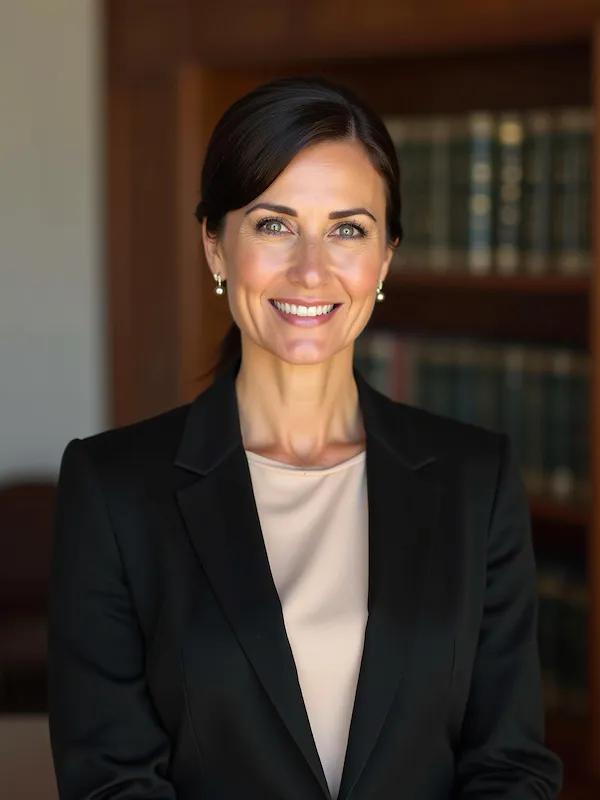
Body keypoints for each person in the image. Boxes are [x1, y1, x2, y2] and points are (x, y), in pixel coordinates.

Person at [47, 76, 564, 800]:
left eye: (348, 229)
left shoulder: (476, 480)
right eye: (274, 224)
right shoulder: (112, 488)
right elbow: (110, 780)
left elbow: (509, 766)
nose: (312, 270)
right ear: (216, 247)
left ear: (384, 259)